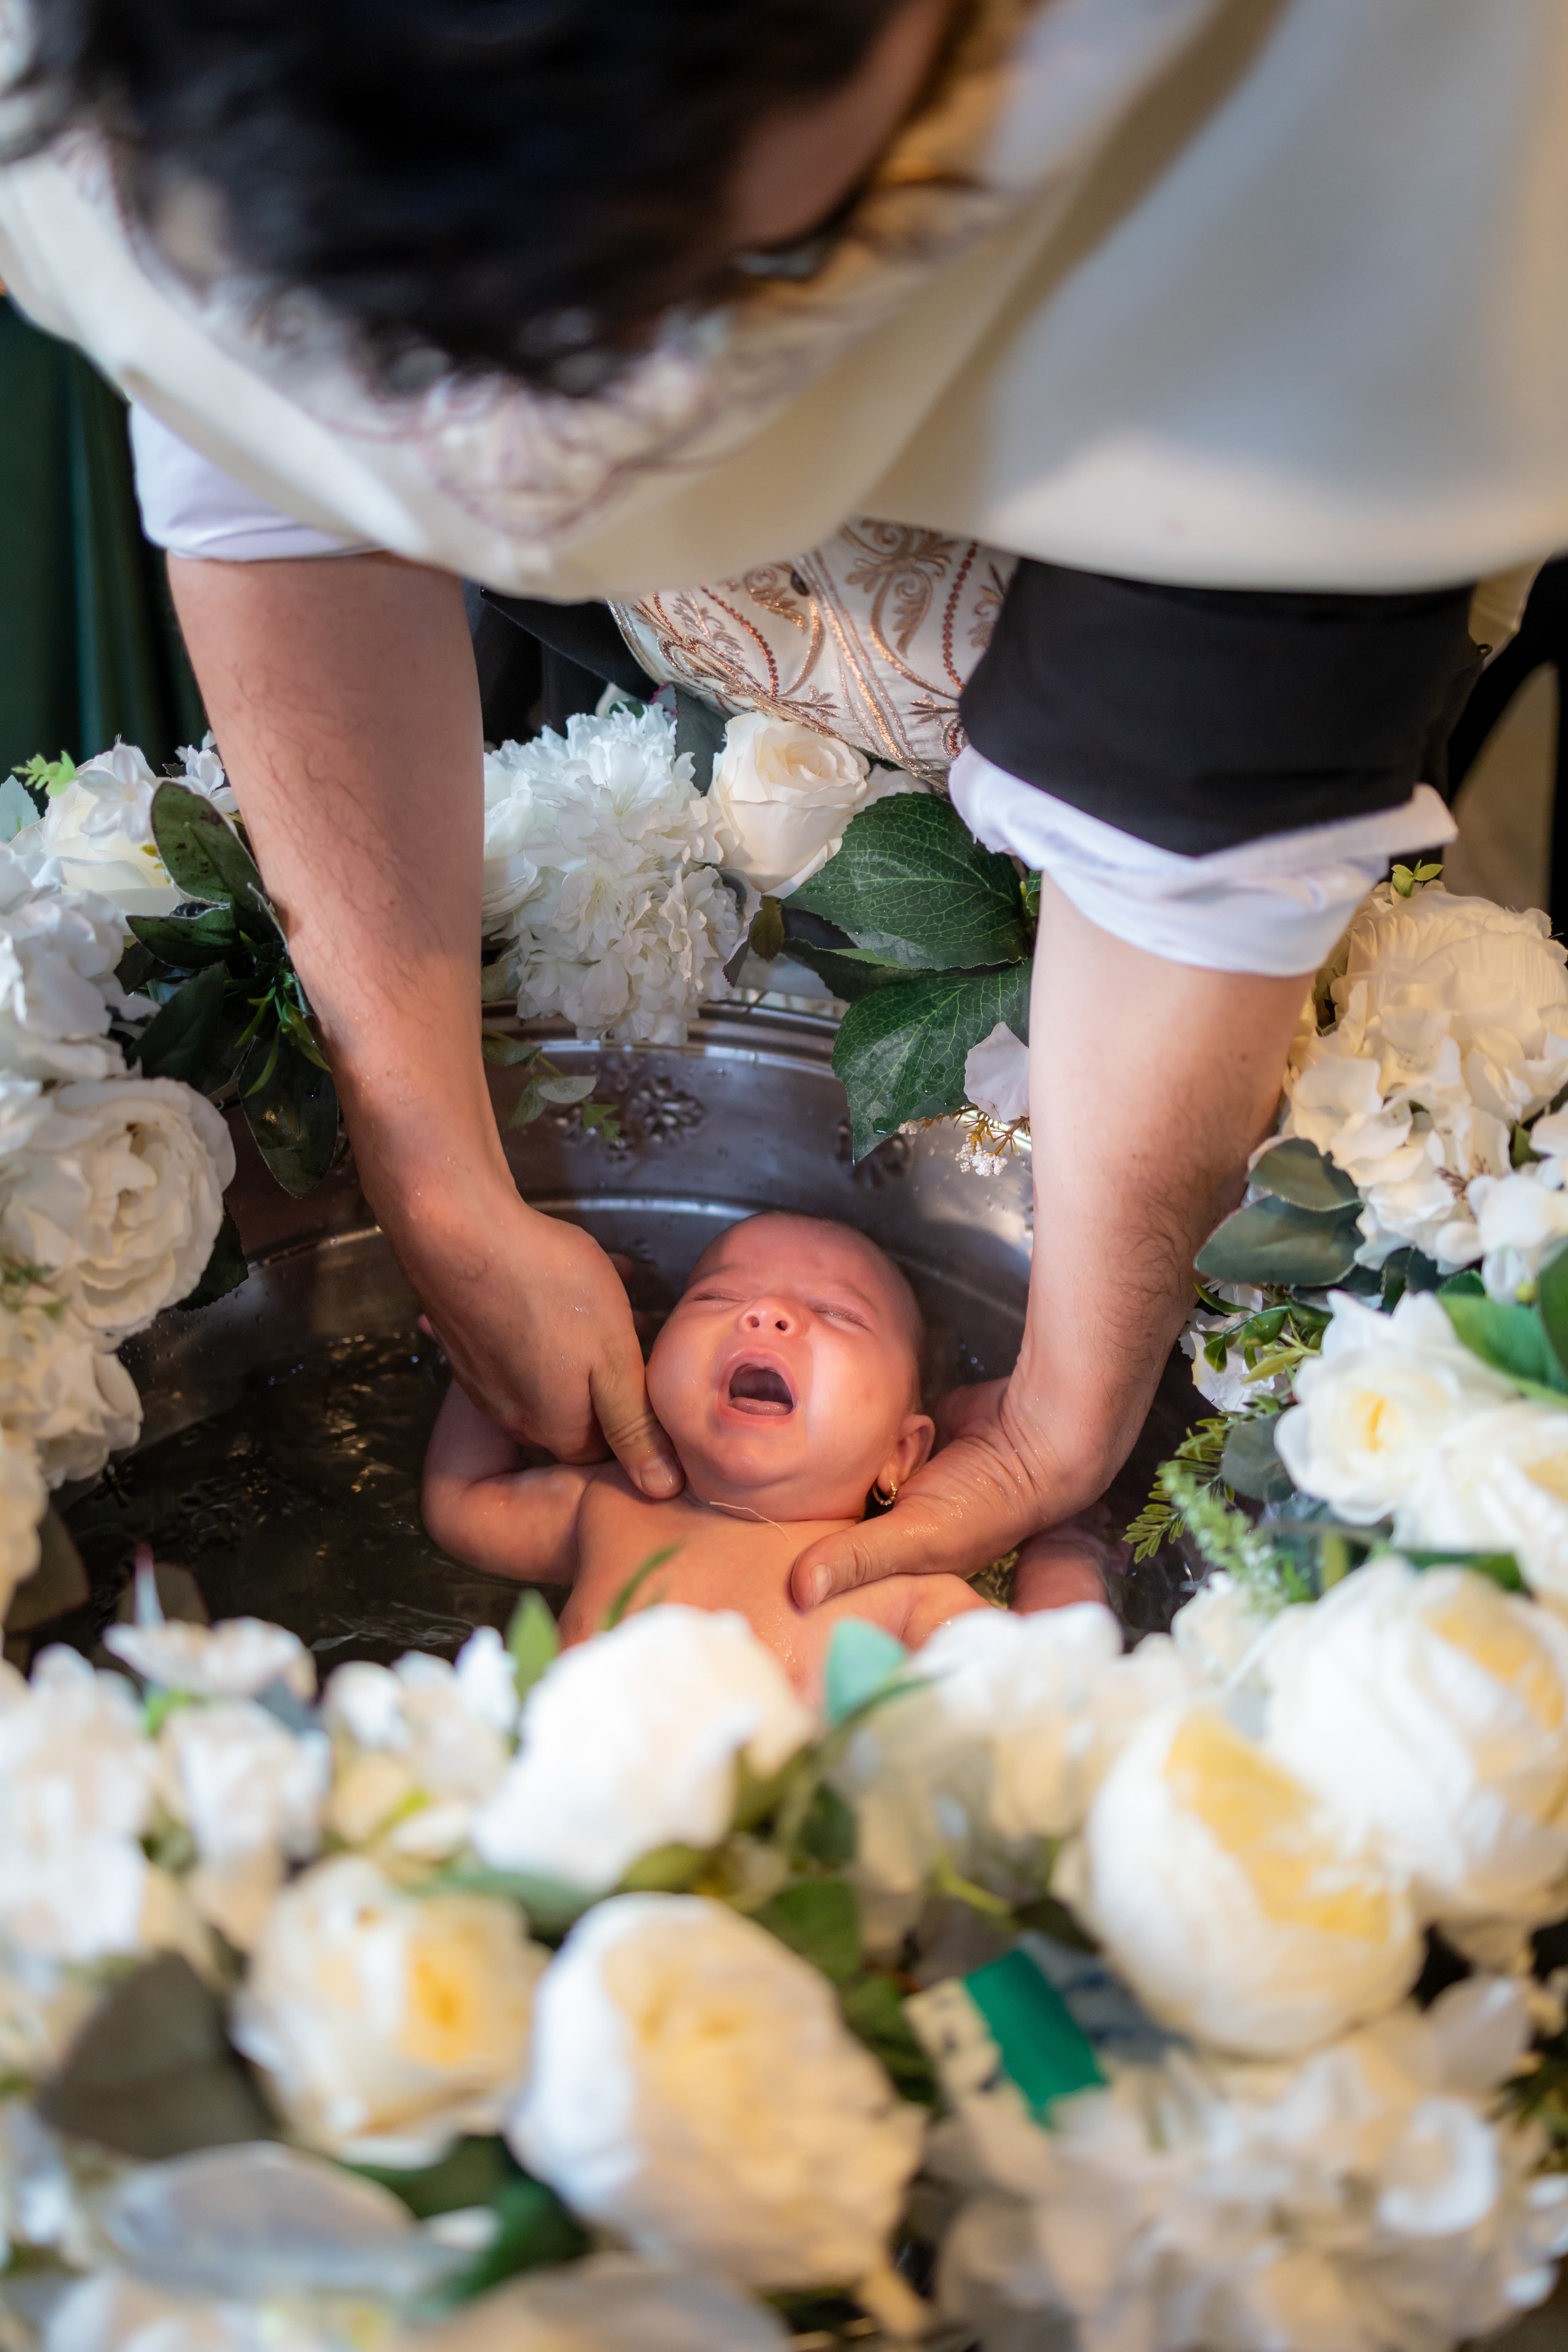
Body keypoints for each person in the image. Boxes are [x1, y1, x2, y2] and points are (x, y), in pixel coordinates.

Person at [3, 0, 1566, 1612]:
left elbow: (1199, 801)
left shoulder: (1339, 109)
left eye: (708, 268)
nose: (765, 1319)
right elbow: (284, 502)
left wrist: (1070, 1427)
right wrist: (440, 1183)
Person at [423, 1212, 997, 1692]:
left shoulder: (905, 1591)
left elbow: (1050, 1687)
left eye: (835, 1314)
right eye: (715, 1297)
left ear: (900, 1454)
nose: (767, 1313)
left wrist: (1068, 1546)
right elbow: (462, 1507)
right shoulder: (613, 1505)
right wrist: (491, 1344)